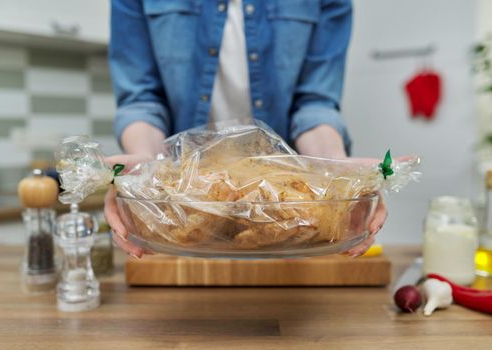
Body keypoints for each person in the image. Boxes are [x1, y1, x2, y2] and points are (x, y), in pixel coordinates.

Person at [105, 0, 387, 258]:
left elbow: (315, 102)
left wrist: (335, 170)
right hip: (184, 208)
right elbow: (142, 99)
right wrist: (145, 168)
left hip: (286, 215)